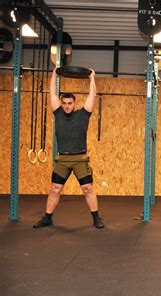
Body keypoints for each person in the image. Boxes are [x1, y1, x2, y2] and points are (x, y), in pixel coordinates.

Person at [33, 68, 104, 229]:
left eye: (69, 103)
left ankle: (96, 218)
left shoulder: (83, 114)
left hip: (80, 159)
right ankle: (47, 218)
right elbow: (51, 94)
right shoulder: (57, 113)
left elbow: (92, 96)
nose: (66, 106)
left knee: (88, 188)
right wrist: (53, 74)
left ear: (74, 103)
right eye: (64, 103)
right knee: (55, 189)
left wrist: (92, 77)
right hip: (62, 159)